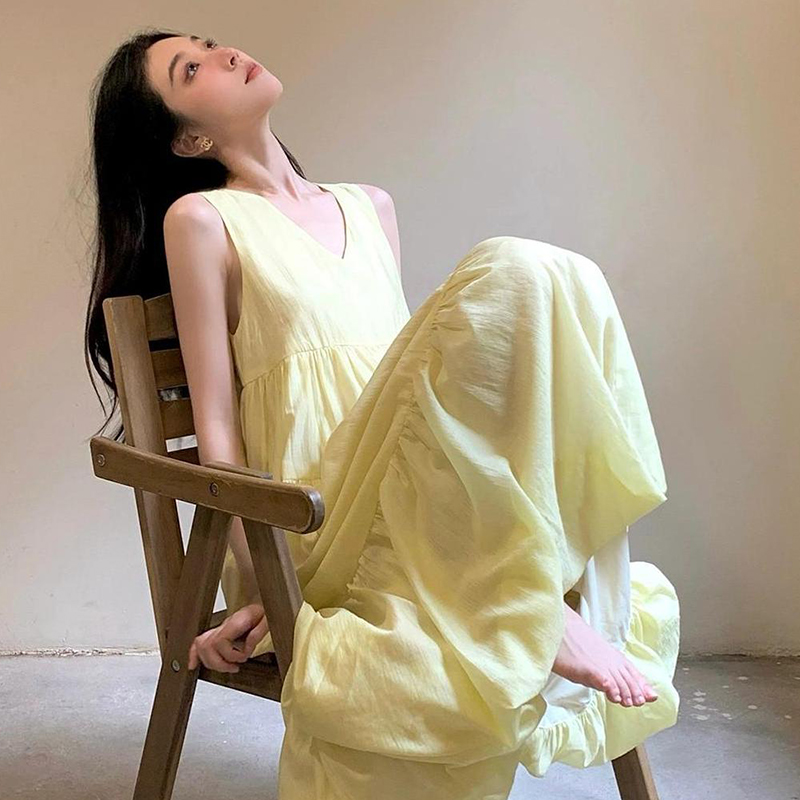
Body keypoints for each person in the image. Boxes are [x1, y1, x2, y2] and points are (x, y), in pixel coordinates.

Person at [84, 27, 680, 800]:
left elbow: (404, 392)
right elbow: (218, 428)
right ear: (189, 137)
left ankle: (520, 590)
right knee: (511, 265)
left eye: (211, 43)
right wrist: (262, 574)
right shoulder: (202, 220)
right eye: (191, 69)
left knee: (542, 273)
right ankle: (531, 608)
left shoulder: (369, 207)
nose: (226, 55)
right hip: (311, 521)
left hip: (412, 502)